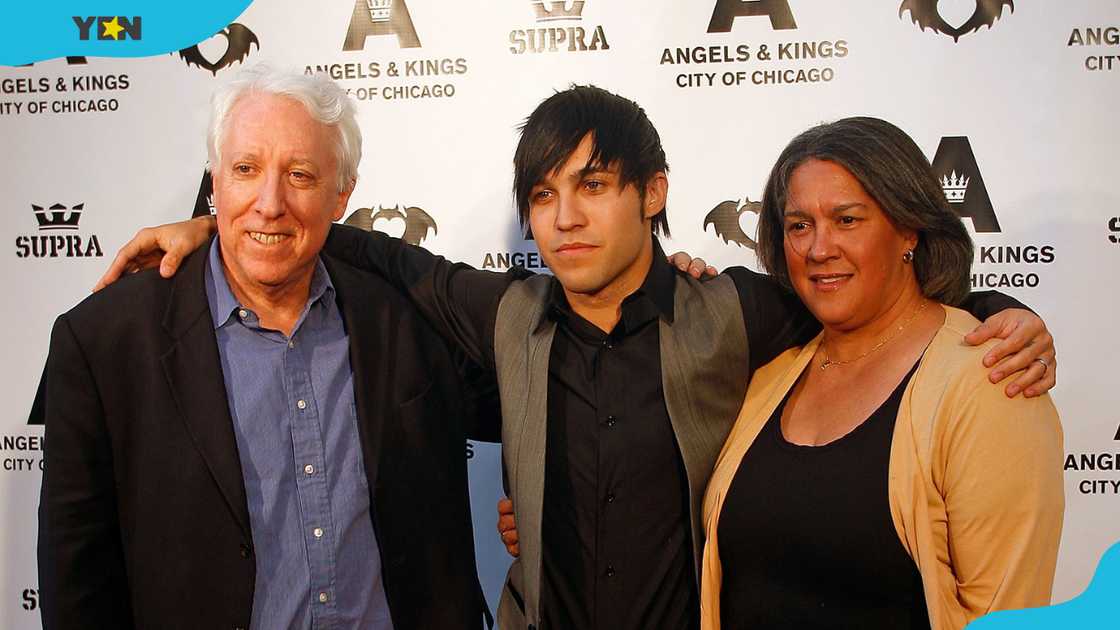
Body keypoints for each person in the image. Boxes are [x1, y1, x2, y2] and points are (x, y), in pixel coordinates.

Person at [96, 87, 1058, 630]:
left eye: (594, 185)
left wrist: (993, 310)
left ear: (652, 192)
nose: (565, 217)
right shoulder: (503, 313)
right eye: (544, 193)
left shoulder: (739, 313)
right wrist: (217, 220)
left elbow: (870, 307)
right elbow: (356, 242)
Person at [37, 64, 495, 630]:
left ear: (341, 195)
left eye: (300, 175)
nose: (269, 202)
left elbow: (552, 393)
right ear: (216, 180)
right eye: (246, 169)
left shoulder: (407, 319)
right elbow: (76, 579)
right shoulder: (103, 342)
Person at [699, 117, 1064, 630]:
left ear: (908, 228)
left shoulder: (993, 381)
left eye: (847, 220)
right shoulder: (769, 374)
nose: (819, 248)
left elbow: (1007, 616)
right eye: (799, 225)